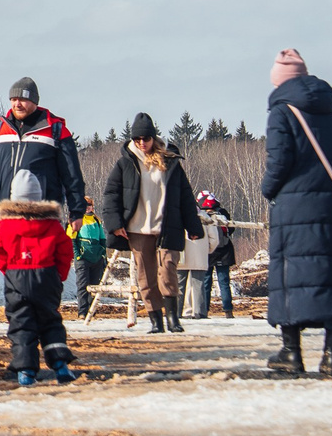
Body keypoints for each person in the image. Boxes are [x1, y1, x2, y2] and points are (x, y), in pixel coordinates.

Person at [262, 49, 332, 377]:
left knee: (291, 279)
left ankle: (292, 353)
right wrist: (328, 184)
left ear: (280, 81)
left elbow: (279, 160)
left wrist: (269, 189)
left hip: (292, 207)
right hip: (330, 207)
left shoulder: (281, 112)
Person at [97, 114, 202, 334]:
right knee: (146, 276)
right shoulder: (125, 162)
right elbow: (111, 194)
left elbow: (185, 195)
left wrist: (193, 227)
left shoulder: (169, 160)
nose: (142, 143)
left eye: (146, 138)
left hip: (167, 225)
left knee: (168, 271)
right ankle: (156, 321)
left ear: (153, 137)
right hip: (137, 229)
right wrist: (115, 223)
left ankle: (173, 318)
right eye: (137, 139)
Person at [0, 171, 76, 385]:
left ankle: (26, 371)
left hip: (16, 276)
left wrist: (8, 271)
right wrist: (59, 275)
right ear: (38, 197)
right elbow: (66, 249)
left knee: (21, 323)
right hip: (46, 275)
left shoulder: (5, 225)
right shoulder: (52, 224)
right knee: (50, 320)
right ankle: (60, 365)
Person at [0, 77, 86, 229]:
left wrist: (76, 210)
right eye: (13, 99)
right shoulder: (0, 131)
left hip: (44, 218)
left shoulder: (56, 131)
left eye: (23, 99)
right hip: (7, 216)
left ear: (34, 101)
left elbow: (72, 175)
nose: (17, 104)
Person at [69, 201, 109, 317]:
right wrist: (78, 254)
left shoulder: (97, 220)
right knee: (83, 285)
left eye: (89, 205)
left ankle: (92, 311)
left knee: (95, 286)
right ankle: (82, 311)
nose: (88, 208)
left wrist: (102, 252)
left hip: (96, 258)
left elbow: (102, 238)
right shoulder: (77, 220)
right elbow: (72, 239)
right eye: (85, 206)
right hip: (83, 258)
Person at [202, 193, 237, 318]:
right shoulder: (223, 213)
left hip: (208, 252)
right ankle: (228, 311)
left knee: (206, 282)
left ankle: (204, 310)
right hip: (224, 252)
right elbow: (231, 229)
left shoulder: (202, 214)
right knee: (224, 282)